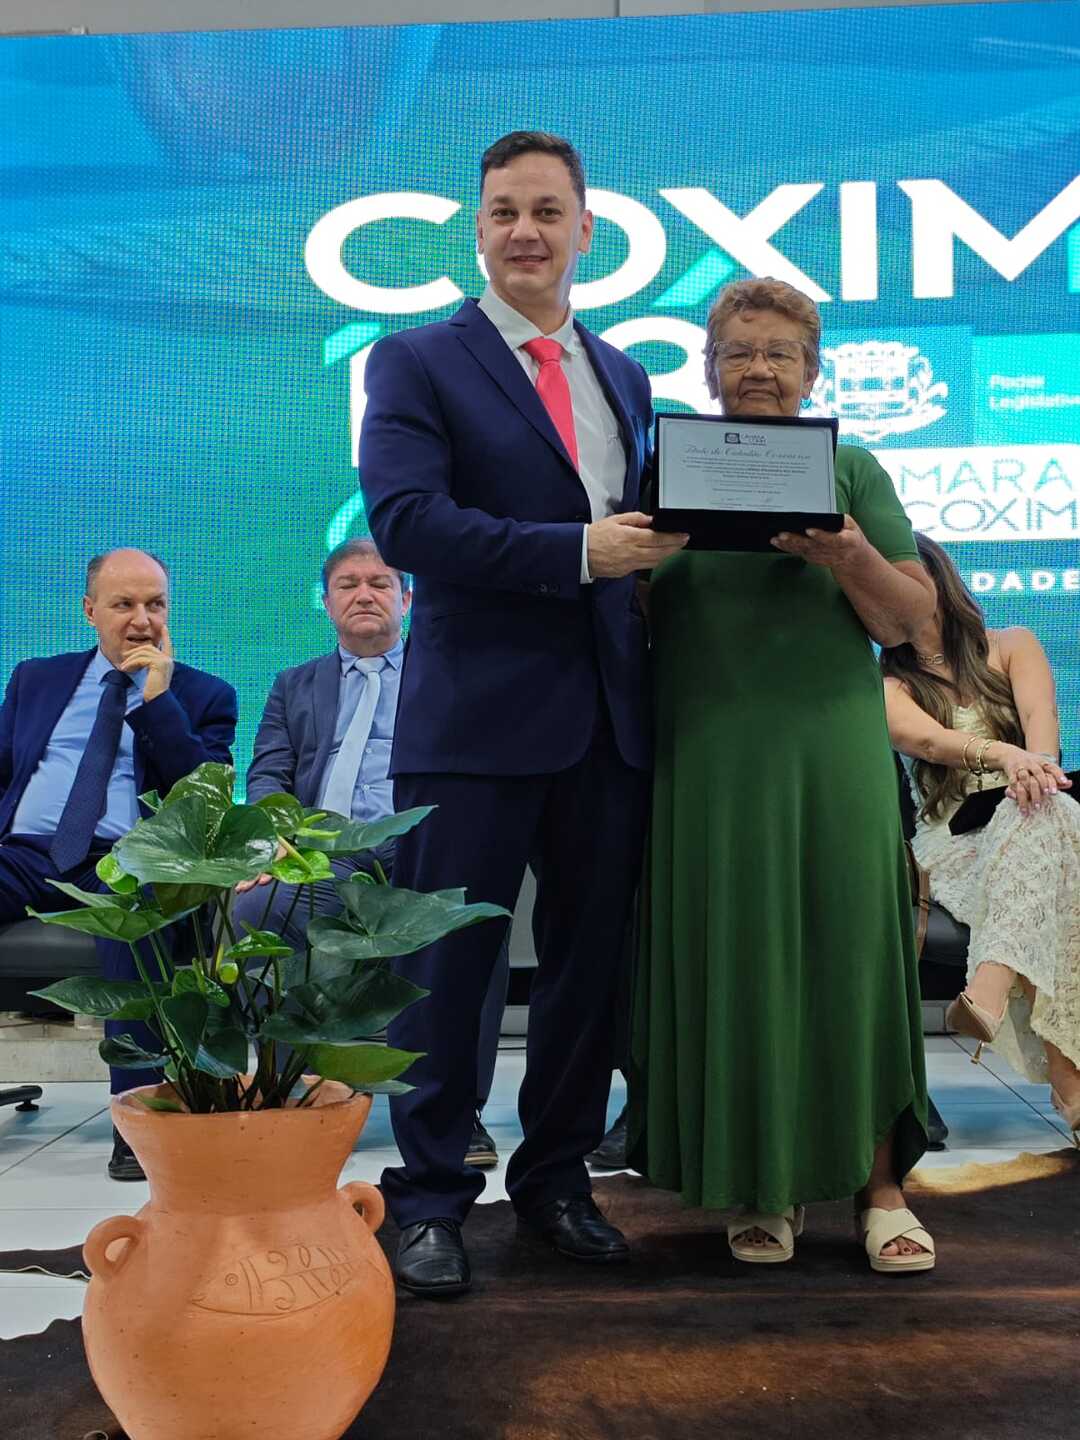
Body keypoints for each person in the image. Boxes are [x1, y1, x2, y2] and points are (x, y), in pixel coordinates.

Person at [359, 130, 687, 1297]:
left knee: (585, 978)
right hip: (474, 725)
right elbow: (407, 523)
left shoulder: (627, 377)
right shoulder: (415, 360)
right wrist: (579, 552)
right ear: (479, 228)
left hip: (608, 722)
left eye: (548, 211)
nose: (526, 231)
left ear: (586, 230)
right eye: (505, 211)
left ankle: (555, 1185)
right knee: (450, 975)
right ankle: (429, 1200)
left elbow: (644, 536)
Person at [629, 277, 939, 1273]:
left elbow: (909, 621)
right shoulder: (658, 470)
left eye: (779, 354)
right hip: (706, 761)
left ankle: (880, 1190)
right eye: (739, 352)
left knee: (852, 958)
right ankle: (764, 1186)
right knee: (739, 962)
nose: (758, 370)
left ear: (812, 370)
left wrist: (849, 556)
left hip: (830, 758)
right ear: (710, 368)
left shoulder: (850, 468)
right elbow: (630, 619)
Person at [235, 536, 507, 1166]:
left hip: (422, 848)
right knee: (253, 915)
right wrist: (273, 836)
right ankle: (294, 1091)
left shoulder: (447, 673)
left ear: (407, 600)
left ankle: (457, 1111)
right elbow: (269, 773)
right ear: (326, 602)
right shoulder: (294, 684)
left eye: (380, 583)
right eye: (348, 584)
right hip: (323, 855)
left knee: (474, 924)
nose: (365, 594)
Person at [0, 549, 237, 1177]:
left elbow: (202, 801)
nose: (142, 620)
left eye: (155, 605)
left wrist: (158, 700)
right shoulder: (36, 679)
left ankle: (137, 1124)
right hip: (24, 852)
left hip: (124, 860)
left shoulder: (205, 695)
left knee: (139, 925)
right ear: (90, 611)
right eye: (124, 604)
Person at [881, 533, 1080, 1142]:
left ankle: (987, 991)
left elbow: (1042, 720)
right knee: (1050, 843)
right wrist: (1004, 757)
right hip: (954, 841)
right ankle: (1071, 1092)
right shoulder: (888, 684)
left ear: (937, 580)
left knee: (1042, 812)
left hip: (1032, 813)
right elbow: (927, 741)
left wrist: (1033, 769)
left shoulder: (1014, 644)